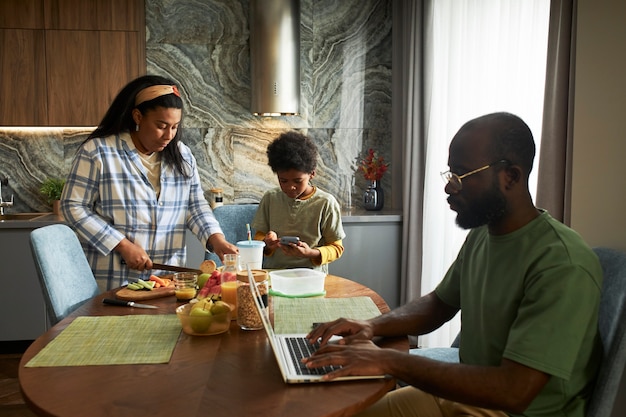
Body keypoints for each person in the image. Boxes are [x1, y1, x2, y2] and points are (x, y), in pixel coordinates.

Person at [304, 112, 603, 417]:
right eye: (450, 175)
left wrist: (389, 361)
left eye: (461, 176)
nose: (449, 188)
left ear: (511, 176)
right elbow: (439, 303)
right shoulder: (483, 235)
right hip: (470, 398)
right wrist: (371, 326)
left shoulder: (561, 264)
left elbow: (515, 391)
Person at [61, 75, 238, 292]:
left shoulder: (182, 155)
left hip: (168, 279)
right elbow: (73, 206)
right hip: (114, 278)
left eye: (174, 127)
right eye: (161, 126)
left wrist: (216, 238)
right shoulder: (98, 152)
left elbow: (194, 205)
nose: (169, 135)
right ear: (138, 116)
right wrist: (122, 245)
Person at [251, 131, 345, 272]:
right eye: (283, 180)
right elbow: (259, 237)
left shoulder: (325, 203)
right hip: (274, 274)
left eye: (297, 181)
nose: (290, 187)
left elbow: (337, 248)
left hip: (311, 276)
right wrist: (267, 242)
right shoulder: (270, 198)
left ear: (312, 173)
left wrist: (310, 253)